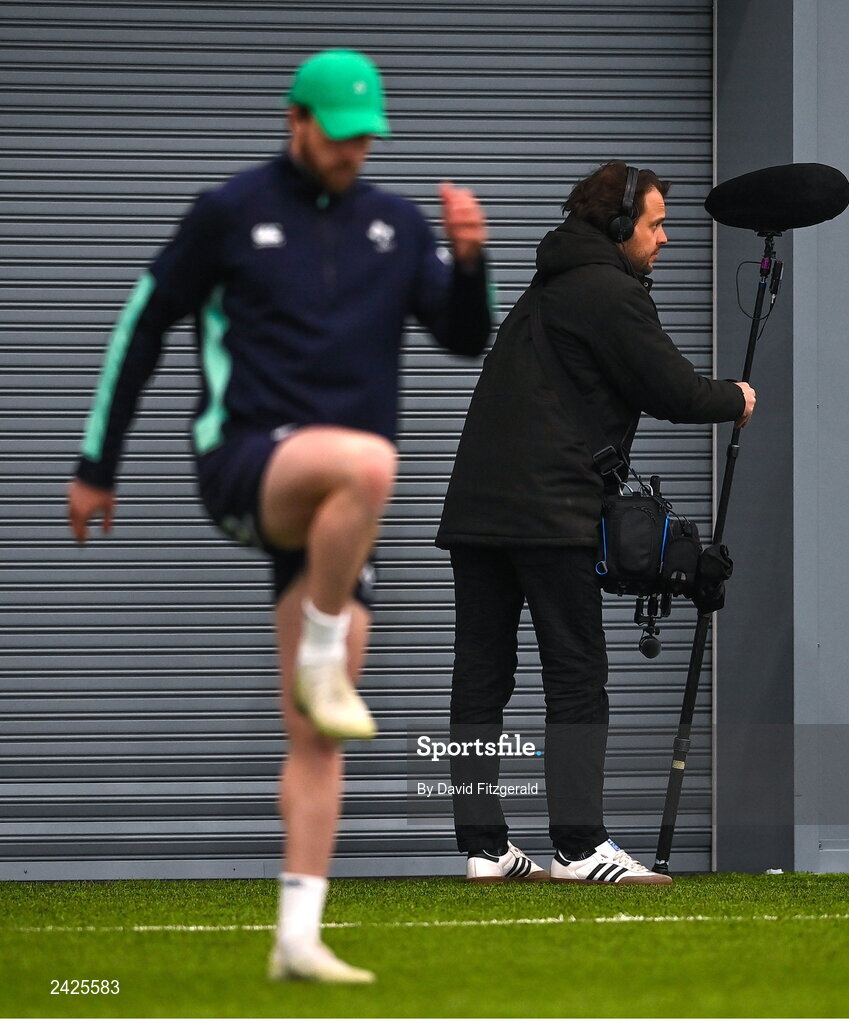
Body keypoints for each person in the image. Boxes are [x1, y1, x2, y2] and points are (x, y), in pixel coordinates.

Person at [67, 49, 491, 982]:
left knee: (319, 725)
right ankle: (320, 646)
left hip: (337, 515)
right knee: (370, 462)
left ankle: (298, 933)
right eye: (337, 137)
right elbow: (142, 321)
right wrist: (97, 463)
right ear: (295, 122)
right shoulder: (229, 212)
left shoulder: (394, 222)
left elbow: (463, 338)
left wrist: (469, 262)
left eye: (364, 139)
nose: (351, 153)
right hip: (246, 461)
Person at [435, 160, 755, 886]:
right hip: (549, 513)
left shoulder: (546, 287)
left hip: (477, 513)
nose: (666, 238)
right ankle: (579, 847)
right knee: (576, 675)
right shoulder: (608, 292)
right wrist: (734, 396)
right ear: (618, 227)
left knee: (480, 676)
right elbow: (671, 389)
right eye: (655, 224)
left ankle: (484, 848)